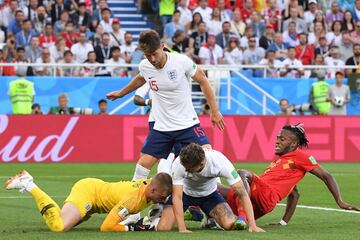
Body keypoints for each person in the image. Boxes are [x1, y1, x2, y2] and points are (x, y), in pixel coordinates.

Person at [106, 30, 225, 182]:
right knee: (142, 166)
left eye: (154, 53)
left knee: (207, 157)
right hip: (162, 128)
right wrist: (121, 93)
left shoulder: (181, 61)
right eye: (147, 55)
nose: (152, 59)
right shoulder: (145, 65)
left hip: (187, 124)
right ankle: (131, 202)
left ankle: (216, 194)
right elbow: (141, 78)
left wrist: (214, 111)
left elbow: (203, 80)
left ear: (162, 47)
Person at [217, 124, 360, 225]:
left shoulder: (301, 156)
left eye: (282, 139)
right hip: (255, 199)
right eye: (278, 137)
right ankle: (213, 218)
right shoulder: (282, 161)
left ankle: (243, 218)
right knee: (214, 188)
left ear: (293, 144)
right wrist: (283, 222)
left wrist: (339, 201)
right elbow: (294, 194)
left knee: (243, 173)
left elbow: (326, 176)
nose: (277, 141)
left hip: (266, 195)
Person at [5, 170, 172, 232]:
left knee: (65, 222)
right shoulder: (133, 200)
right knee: (59, 226)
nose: (163, 200)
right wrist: (134, 228)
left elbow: (164, 180)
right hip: (88, 193)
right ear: (152, 190)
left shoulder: (152, 184)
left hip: (95, 195)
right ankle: (28, 183)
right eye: (162, 197)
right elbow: (106, 227)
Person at [154, 143, 265, 233]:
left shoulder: (221, 163)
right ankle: (157, 217)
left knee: (229, 224)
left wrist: (252, 225)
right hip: (185, 194)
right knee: (163, 228)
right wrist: (182, 228)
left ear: (202, 164)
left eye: (189, 169)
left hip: (210, 195)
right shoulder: (180, 163)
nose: (186, 170)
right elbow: (177, 197)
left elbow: (242, 194)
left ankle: (209, 218)